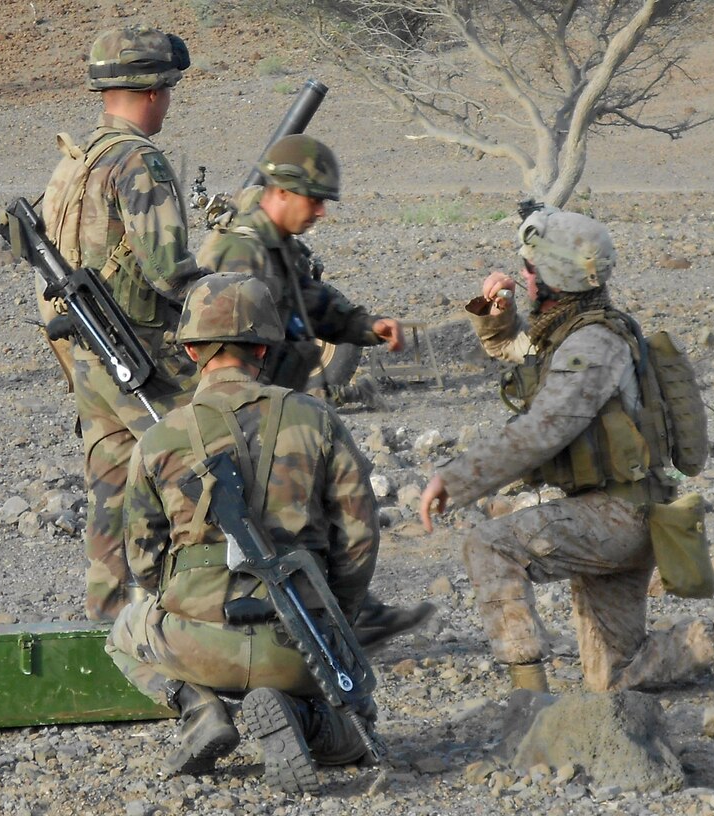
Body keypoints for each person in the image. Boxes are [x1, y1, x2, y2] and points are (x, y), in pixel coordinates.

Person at [420, 206, 714, 699]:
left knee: (489, 545)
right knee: (614, 678)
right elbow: (519, 354)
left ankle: (530, 704)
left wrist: (454, 480)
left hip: (616, 517)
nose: (522, 276)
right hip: (624, 512)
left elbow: (544, 430)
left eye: (530, 270)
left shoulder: (593, 342)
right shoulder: (577, 332)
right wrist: (499, 318)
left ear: (554, 278)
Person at [106, 273, 379, 788]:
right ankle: (306, 719)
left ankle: (199, 707)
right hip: (300, 646)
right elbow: (359, 538)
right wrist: (335, 620)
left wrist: (181, 600)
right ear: (265, 345)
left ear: (190, 349)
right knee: (352, 740)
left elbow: (141, 558)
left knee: (123, 632)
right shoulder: (316, 418)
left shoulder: (160, 436)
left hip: (199, 644)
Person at [196, 133, 433, 649]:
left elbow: (312, 304)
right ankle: (299, 625)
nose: (321, 212)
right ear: (280, 191)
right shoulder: (242, 252)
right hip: (248, 416)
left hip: (276, 409)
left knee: (324, 505)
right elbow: (223, 343)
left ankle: (341, 613)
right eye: (314, 199)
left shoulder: (276, 249)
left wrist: (367, 326)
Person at [40, 25, 206, 621]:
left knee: (109, 498)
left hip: (87, 359)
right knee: (206, 472)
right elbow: (169, 274)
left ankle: (108, 634)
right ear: (156, 91)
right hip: (137, 358)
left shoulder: (76, 161)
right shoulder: (139, 162)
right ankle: (201, 623)